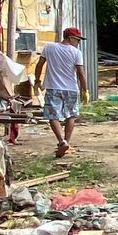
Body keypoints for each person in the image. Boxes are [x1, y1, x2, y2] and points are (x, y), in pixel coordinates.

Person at [33, 26, 88, 158]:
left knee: (53, 116)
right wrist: (85, 90)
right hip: (71, 88)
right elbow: (81, 72)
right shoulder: (76, 53)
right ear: (70, 38)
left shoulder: (49, 47)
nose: (78, 43)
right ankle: (66, 143)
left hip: (53, 87)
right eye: (78, 40)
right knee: (71, 115)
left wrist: (37, 81)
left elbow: (39, 64)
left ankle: (62, 142)